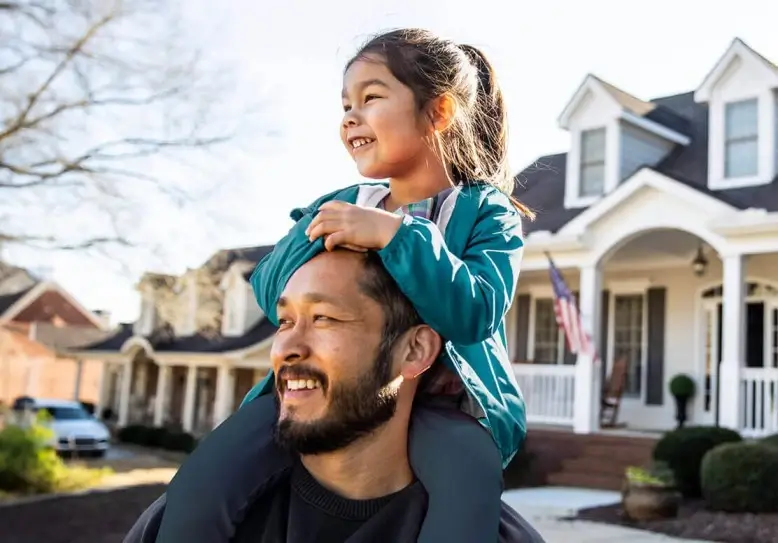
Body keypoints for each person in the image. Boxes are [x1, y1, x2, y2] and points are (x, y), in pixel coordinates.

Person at [240, 27, 533, 542]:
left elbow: (475, 313)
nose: (350, 116)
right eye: (346, 104)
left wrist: (399, 236)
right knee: (209, 474)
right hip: (324, 390)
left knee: (470, 478)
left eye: (371, 97)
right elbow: (269, 290)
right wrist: (317, 233)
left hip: (441, 405)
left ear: (438, 112)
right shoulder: (345, 201)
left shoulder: (485, 213)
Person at [123, 250, 545, 542]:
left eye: (323, 317)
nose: (286, 346)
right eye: (285, 320)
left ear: (414, 351)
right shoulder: (179, 523)